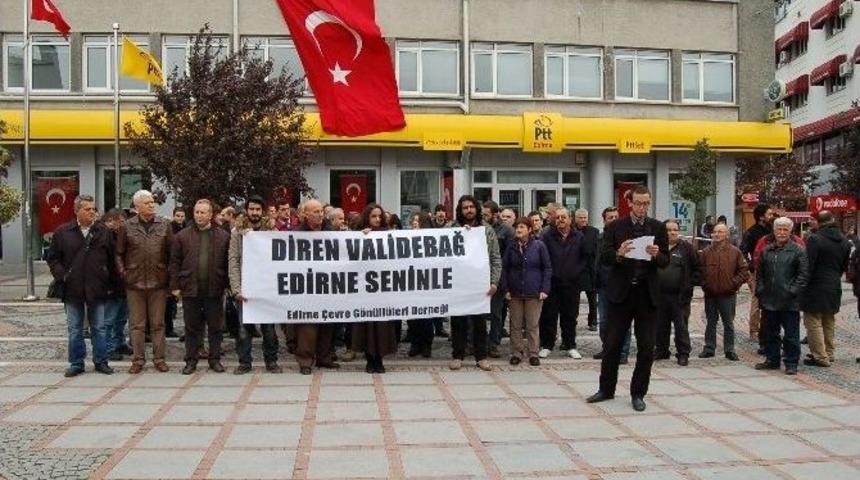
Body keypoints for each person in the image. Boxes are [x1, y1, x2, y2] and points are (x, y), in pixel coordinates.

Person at [587, 185, 669, 412]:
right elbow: (604, 257)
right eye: (638, 203)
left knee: (646, 347)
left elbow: (665, 260)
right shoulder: (615, 226)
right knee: (612, 345)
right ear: (630, 203)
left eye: (646, 203)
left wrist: (656, 255)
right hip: (621, 293)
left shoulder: (658, 227)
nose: (642, 208)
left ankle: (638, 393)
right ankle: (606, 389)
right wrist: (618, 254)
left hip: (646, 294)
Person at [47, 194, 116, 377]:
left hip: (97, 287)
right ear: (77, 210)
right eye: (87, 209)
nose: (92, 212)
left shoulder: (103, 232)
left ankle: (101, 361)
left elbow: (112, 259)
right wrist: (62, 275)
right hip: (72, 288)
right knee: (75, 328)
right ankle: (76, 363)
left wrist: (110, 281)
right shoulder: (62, 232)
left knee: (99, 327)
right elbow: (53, 258)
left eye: (93, 209)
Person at [115, 190, 173, 374]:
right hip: (134, 283)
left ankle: (159, 359)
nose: (152, 205)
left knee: (158, 323)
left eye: (152, 202)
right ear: (137, 206)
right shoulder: (127, 226)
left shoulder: (164, 225)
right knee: (137, 324)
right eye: (147, 202)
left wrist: (170, 277)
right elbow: (118, 253)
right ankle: (138, 359)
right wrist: (124, 273)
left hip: (158, 282)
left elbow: (172, 254)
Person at [170, 199, 230, 375]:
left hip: (214, 289)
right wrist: (175, 286)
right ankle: (190, 360)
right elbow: (174, 263)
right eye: (196, 212)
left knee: (215, 327)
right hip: (190, 288)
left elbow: (228, 263)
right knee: (191, 328)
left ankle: (215, 359)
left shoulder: (223, 236)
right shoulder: (182, 236)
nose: (199, 215)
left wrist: (227, 284)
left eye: (203, 212)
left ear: (211, 215)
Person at [230, 195, 282, 374]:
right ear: (247, 210)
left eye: (258, 209)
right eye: (251, 209)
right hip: (245, 289)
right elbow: (234, 261)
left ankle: (271, 361)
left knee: (269, 329)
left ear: (263, 211)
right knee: (244, 329)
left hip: (266, 288)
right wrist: (236, 289)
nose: (254, 212)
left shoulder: (272, 232)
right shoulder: (238, 232)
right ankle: (244, 362)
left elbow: (279, 260)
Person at [449, 195, 501, 371]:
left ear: (476, 209)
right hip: (458, 284)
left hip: (480, 284)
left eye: (471, 207)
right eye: (465, 207)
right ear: (460, 210)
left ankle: (481, 357)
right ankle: (457, 355)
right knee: (458, 322)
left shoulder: (486, 230)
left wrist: (494, 282)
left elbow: (495, 258)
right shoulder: (451, 228)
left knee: (479, 322)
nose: (469, 210)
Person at [292, 199, 342, 374]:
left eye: (321, 211)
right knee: (308, 327)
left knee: (327, 325)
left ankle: (324, 358)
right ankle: (305, 361)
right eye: (315, 211)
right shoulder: (296, 234)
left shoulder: (331, 232)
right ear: (305, 214)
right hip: (307, 287)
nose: (320, 214)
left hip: (327, 286)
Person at [755, 217, 809, 375]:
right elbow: (760, 274)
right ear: (774, 231)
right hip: (769, 299)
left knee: (791, 335)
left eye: (785, 229)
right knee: (770, 333)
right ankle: (772, 359)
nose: (782, 232)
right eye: (779, 229)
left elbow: (803, 275)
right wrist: (760, 289)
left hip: (789, 301)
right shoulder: (767, 250)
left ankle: (791, 362)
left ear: (791, 231)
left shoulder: (798, 251)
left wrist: (792, 291)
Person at [800, 211, 852, 367]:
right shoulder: (844, 241)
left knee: (813, 320)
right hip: (834, 284)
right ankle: (829, 353)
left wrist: (801, 286)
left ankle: (820, 356)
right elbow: (844, 266)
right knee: (829, 320)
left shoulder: (815, 239)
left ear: (818, 222)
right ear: (833, 220)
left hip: (816, 285)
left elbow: (808, 265)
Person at [352, 203, 399, 374]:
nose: (377, 219)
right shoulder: (359, 234)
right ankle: (369, 359)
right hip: (365, 288)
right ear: (367, 217)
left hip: (383, 287)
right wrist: (360, 238)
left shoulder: (388, 235)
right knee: (366, 324)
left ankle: (379, 359)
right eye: (374, 216)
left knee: (382, 325)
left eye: (380, 216)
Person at [502, 217, 552, 366]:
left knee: (532, 324)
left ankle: (533, 353)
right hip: (515, 291)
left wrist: (544, 288)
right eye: (517, 227)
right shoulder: (511, 246)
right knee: (515, 324)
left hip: (534, 291)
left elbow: (547, 268)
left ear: (529, 230)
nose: (518, 230)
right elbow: (505, 269)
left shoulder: (539, 246)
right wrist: (506, 289)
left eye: (522, 227)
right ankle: (516, 352)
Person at [538, 208, 586, 359]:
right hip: (552, 283)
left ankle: (570, 345)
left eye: (564, 217)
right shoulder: (546, 237)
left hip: (572, 284)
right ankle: (547, 345)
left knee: (570, 316)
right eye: (558, 217)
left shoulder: (579, 236)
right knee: (549, 316)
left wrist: (577, 273)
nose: (561, 220)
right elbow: (543, 259)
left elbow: (584, 258)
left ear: (570, 219)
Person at [698, 223, 748, 361]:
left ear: (726, 235)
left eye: (720, 232)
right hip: (710, 294)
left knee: (728, 323)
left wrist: (733, 284)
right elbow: (699, 271)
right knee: (711, 322)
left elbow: (744, 271)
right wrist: (704, 284)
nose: (717, 234)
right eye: (715, 232)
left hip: (728, 294)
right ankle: (709, 348)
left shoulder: (735, 252)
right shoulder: (706, 252)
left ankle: (729, 349)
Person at [655, 219, 701, 366]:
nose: (672, 232)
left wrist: (690, 283)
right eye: (668, 230)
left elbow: (698, 268)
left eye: (674, 229)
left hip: (680, 296)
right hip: (660, 295)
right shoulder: (657, 248)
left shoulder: (687, 248)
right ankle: (662, 350)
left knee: (681, 326)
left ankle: (683, 353)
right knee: (661, 325)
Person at [593, 207, 631, 364]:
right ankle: (608, 348)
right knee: (604, 321)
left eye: (616, 216)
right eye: (610, 217)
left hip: (622, 286)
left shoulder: (626, 239)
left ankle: (622, 352)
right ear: (604, 220)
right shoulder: (600, 238)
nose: (614, 220)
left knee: (623, 321)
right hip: (604, 286)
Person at [740, 204, 774, 351]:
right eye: (769, 214)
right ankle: (754, 330)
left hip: (773, 270)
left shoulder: (773, 230)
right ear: (761, 217)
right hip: (757, 271)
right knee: (756, 299)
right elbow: (742, 251)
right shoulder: (751, 233)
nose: (771, 216)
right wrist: (750, 267)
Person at [483, 200, 514, 358]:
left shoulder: (507, 231)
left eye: (486, 215)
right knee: (478, 313)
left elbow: (508, 256)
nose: (484, 217)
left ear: (495, 215)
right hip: (480, 277)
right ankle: (475, 342)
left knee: (496, 313)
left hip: (498, 277)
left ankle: (494, 343)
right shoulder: (479, 227)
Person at [102, 208, 132, 362]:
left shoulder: (122, 236)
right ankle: (108, 347)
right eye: (120, 221)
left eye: (123, 221)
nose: (122, 224)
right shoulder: (105, 237)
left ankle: (119, 342)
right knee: (109, 320)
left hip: (123, 284)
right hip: (111, 284)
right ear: (111, 221)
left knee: (121, 318)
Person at [407, 212, 437, 358]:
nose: (414, 223)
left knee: (426, 317)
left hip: (427, 283)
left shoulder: (432, 239)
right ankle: (415, 343)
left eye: (418, 221)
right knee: (412, 317)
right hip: (410, 282)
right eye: (413, 220)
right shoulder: (405, 238)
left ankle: (426, 344)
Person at [574, 208, 600, 331]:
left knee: (592, 299)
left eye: (585, 217)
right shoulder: (572, 231)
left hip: (590, 270)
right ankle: (573, 320)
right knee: (574, 299)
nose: (583, 220)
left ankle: (593, 321)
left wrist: (596, 267)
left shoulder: (594, 232)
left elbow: (597, 251)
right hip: (576, 270)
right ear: (575, 219)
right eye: (581, 217)